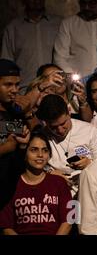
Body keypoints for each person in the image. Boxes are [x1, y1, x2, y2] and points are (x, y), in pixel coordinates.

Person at [0, 129, 72, 235]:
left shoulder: (59, 182)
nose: (40, 155)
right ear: (25, 154)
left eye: (45, 150)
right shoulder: (11, 183)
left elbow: (71, 218)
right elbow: (5, 225)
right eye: (34, 150)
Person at [34, 94, 97, 197]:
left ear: (69, 112)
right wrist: (49, 174)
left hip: (90, 191)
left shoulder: (89, 131)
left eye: (63, 124)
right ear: (45, 123)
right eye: (53, 127)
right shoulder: (40, 137)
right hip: (55, 193)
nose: (60, 130)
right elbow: (32, 166)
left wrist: (90, 163)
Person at [1, 0, 61, 90]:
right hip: (25, 92)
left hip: (54, 90)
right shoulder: (13, 29)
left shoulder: (59, 24)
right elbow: (6, 64)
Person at [0, 59, 32, 209]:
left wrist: (28, 114)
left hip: (11, 192)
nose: (14, 90)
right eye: (8, 85)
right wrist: (6, 148)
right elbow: (9, 145)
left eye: (17, 84)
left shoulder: (15, 112)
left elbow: (37, 135)